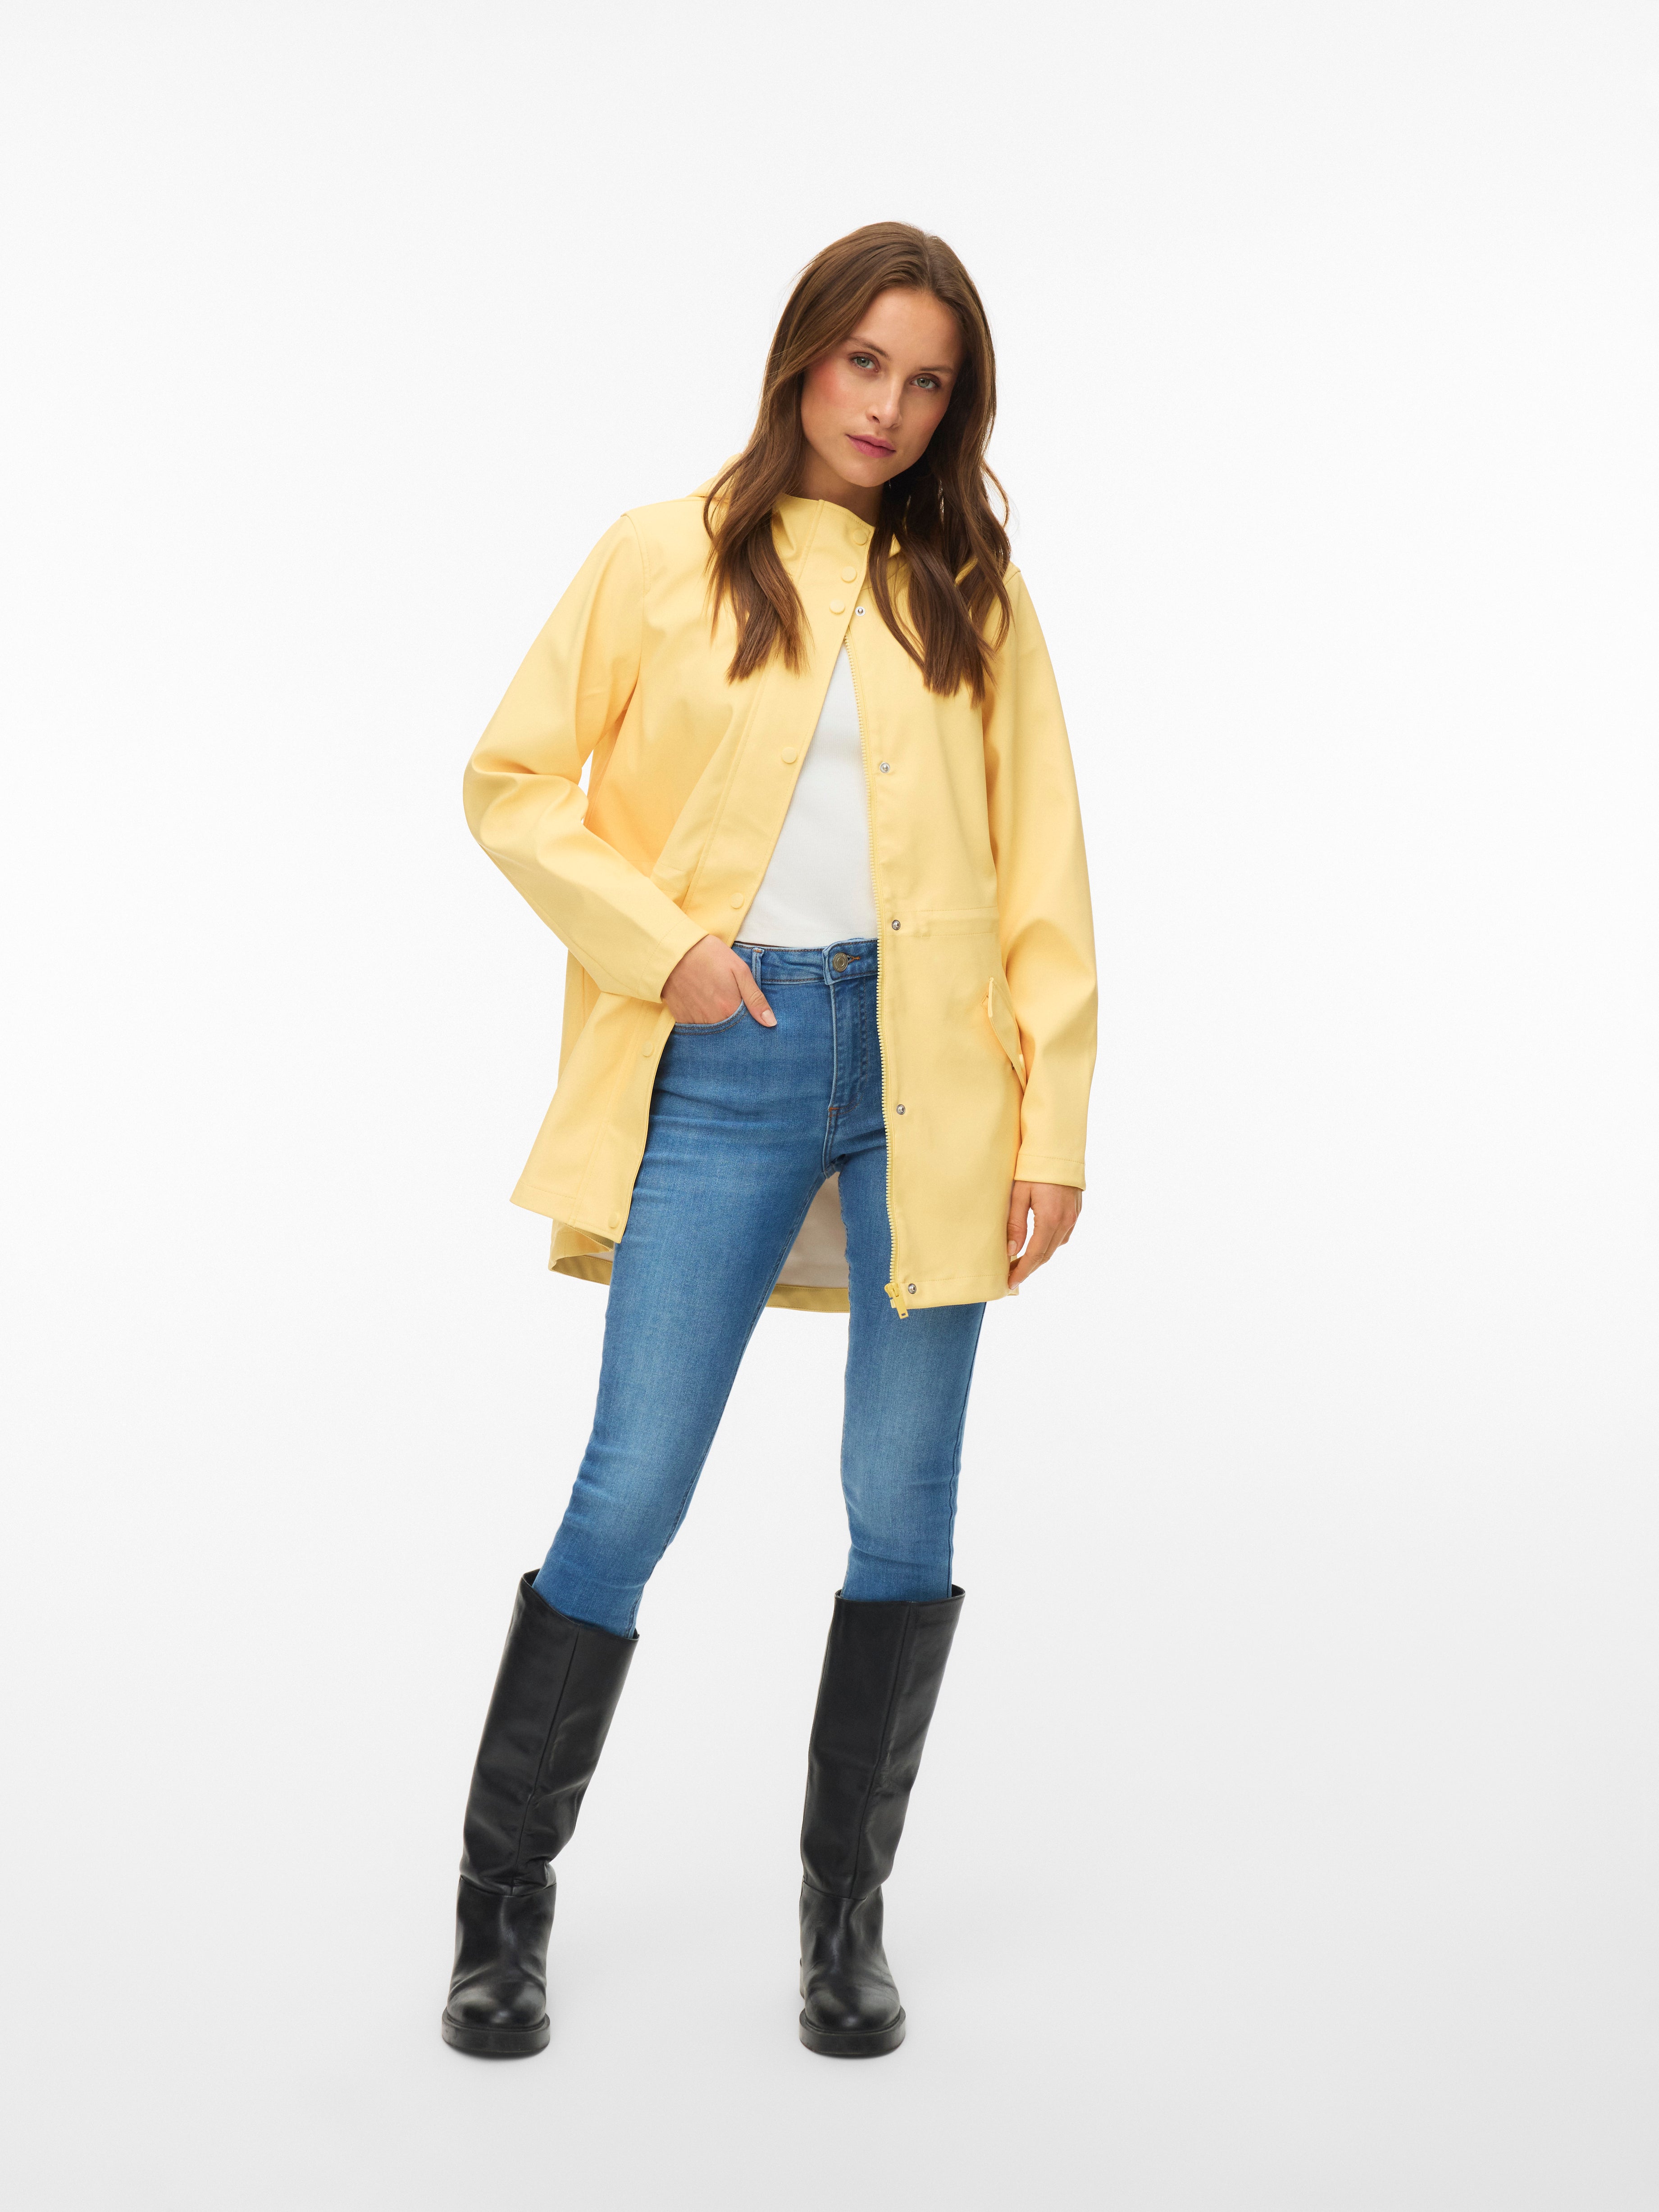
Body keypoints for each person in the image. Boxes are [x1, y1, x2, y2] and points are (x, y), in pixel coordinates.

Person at [442, 221, 1096, 2061]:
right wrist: (666, 947)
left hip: (934, 1077)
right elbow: (510, 784)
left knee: (905, 1506)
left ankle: (843, 1921)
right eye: (865, 362)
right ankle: (501, 1908)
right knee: (629, 1490)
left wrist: (1052, 1117)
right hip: (725, 1057)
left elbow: (1043, 863)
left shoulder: (972, 590)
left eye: (929, 382)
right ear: (804, 355)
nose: (889, 408)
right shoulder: (662, 555)